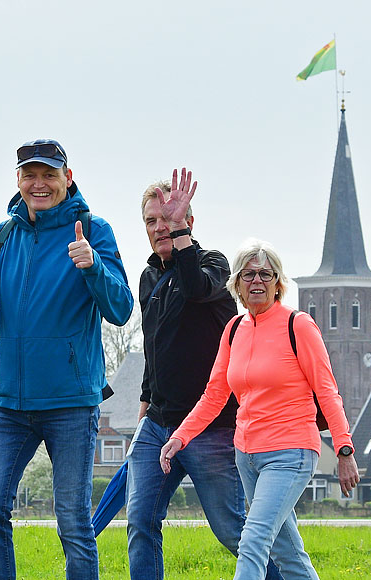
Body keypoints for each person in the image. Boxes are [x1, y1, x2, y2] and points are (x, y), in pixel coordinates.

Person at [0, 139, 133, 580]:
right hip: (9, 405)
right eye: (30, 175)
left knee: (72, 521)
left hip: (71, 403)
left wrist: (93, 266)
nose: (39, 184)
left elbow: (121, 309)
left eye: (49, 174)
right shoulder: (3, 236)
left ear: (67, 178)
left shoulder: (94, 230)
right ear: (18, 180)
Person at [160, 239, 361, 580]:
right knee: (287, 553)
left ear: (278, 283)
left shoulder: (298, 326)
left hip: (290, 452)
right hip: (247, 456)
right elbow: (214, 395)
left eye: (266, 274)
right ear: (236, 284)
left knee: (253, 540)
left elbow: (327, 392)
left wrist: (344, 449)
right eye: (248, 274)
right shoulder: (233, 330)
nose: (257, 281)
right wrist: (180, 437)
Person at [127, 169, 282, 580]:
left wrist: (180, 234)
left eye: (169, 218)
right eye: (152, 220)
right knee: (140, 522)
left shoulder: (214, 266)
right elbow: (154, 349)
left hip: (209, 427)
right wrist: (144, 408)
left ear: (189, 222)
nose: (160, 227)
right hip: (158, 425)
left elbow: (195, 287)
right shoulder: (148, 277)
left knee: (233, 530)